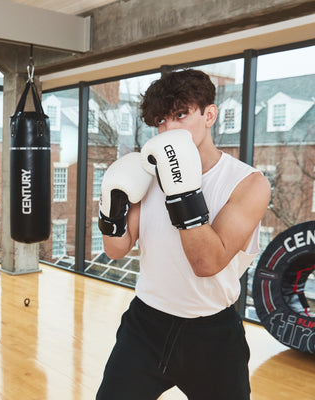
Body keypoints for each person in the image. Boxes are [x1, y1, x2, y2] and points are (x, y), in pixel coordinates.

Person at [96, 69, 271, 400]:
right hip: (144, 326)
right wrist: (111, 206)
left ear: (209, 115)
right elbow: (116, 250)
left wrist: (183, 191)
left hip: (212, 335)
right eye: (161, 120)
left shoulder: (248, 184)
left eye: (181, 115)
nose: (169, 128)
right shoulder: (146, 175)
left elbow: (207, 262)